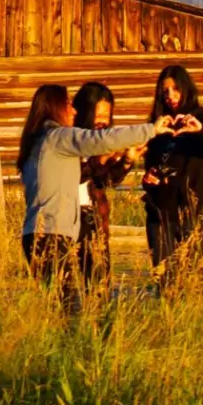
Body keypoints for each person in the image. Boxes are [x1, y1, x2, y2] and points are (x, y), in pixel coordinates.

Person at [17, 82, 195, 315]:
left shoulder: (35, 144)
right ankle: (79, 348)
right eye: (68, 105)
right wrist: (151, 129)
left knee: (60, 309)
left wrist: (123, 161)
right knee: (69, 311)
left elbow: (93, 176)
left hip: (36, 235)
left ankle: (68, 347)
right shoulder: (59, 138)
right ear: (55, 107)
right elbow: (101, 141)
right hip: (53, 235)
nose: (73, 111)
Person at [140, 63, 203, 283]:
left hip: (195, 214)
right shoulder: (158, 127)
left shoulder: (201, 119)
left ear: (186, 89)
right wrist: (149, 179)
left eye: (175, 89)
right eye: (165, 91)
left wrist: (199, 130)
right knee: (168, 285)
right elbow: (150, 167)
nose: (170, 96)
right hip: (162, 218)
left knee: (200, 282)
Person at [71, 81, 134, 300]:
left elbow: (105, 181)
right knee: (65, 280)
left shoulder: (102, 141)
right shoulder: (68, 138)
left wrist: (126, 162)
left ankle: (100, 322)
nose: (103, 121)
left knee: (99, 279)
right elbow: (74, 175)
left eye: (107, 115)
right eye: (98, 114)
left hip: (94, 213)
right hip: (68, 216)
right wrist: (101, 159)